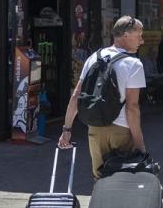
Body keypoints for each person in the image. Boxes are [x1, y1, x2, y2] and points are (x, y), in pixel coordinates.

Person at [58, 16, 147, 180]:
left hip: (95, 130)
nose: (141, 41)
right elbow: (132, 108)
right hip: (121, 131)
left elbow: (77, 95)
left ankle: (101, 205)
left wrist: (67, 130)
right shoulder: (134, 64)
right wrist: (140, 144)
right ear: (125, 35)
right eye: (139, 35)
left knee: (100, 180)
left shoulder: (94, 57)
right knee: (124, 181)